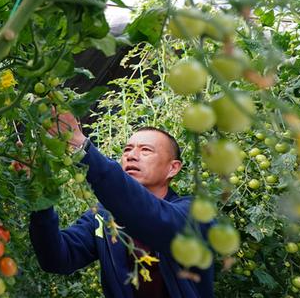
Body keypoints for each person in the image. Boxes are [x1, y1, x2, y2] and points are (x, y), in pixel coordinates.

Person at [29, 111, 214, 298]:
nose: (131, 156)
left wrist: (81, 147)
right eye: (127, 150)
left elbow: (150, 216)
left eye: (145, 150)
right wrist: (42, 198)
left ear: (172, 168)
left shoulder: (194, 213)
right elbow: (58, 259)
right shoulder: (101, 217)